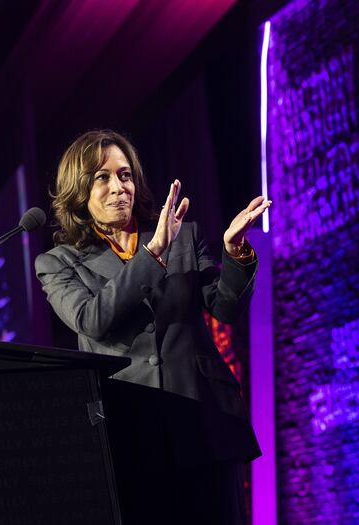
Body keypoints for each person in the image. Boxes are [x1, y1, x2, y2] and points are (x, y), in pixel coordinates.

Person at [34, 129, 270, 524]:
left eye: (125, 175)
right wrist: (153, 253)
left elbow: (224, 308)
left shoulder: (184, 236)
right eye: (102, 177)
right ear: (78, 191)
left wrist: (236, 253)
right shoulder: (58, 262)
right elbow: (92, 320)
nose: (118, 187)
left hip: (203, 426)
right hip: (129, 438)